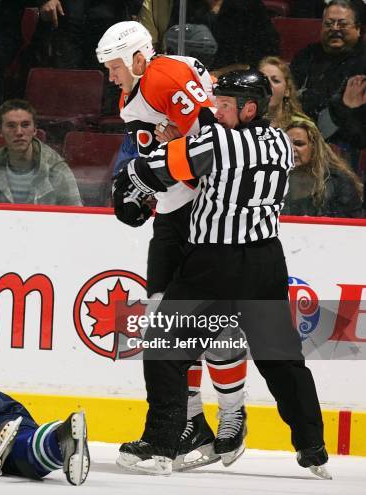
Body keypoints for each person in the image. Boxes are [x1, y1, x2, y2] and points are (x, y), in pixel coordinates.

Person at [113, 69, 330, 479]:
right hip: (266, 263)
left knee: (164, 347)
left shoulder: (215, 140)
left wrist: (129, 179)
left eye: (226, 104)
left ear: (249, 109)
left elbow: (154, 169)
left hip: (214, 264)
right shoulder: (281, 142)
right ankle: (312, 447)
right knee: (282, 360)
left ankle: (160, 445)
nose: (216, 110)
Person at [96, 20, 248, 473]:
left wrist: (164, 166)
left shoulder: (166, 76)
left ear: (139, 58)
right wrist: (147, 186)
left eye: (114, 66)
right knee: (169, 315)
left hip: (200, 214)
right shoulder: (148, 82)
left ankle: (230, 417)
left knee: (198, 318)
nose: (110, 76)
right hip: (174, 209)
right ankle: (194, 421)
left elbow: (213, 142)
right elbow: (163, 147)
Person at [0, 99, 82, 206]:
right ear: (0, 131)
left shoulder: (57, 170)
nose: (19, 132)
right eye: (11, 126)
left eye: (25, 125)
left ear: (35, 129)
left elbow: (76, 219)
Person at [290, 0, 365, 162]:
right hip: (300, 133)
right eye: (329, 24)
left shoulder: (363, 62)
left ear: (358, 28)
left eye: (342, 24)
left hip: (346, 143)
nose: (335, 29)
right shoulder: (307, 55)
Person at [283, 117, 363, 218]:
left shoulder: (338, 181)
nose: (292, 149)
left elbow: (353, 222)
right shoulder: (276, 179)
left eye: (299, 144)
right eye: (286, 144)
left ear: (314, 147)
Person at [258, 56, 311, 130]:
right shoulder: (243, 125)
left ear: (287, 91)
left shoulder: (302, 127)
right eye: (263, 79)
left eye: (275, 80)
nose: (268, 84)